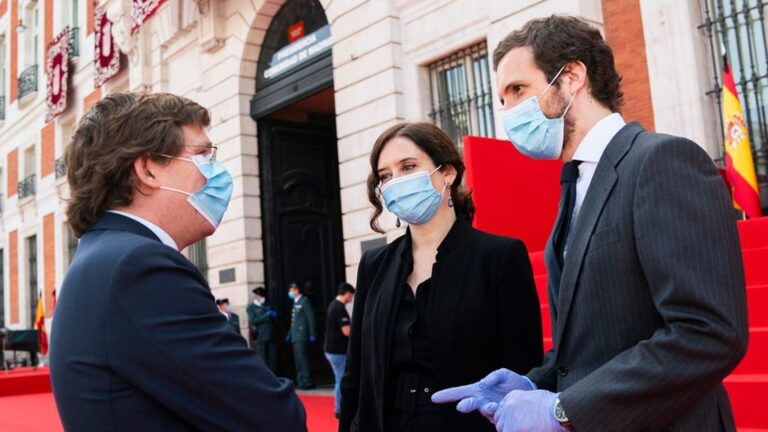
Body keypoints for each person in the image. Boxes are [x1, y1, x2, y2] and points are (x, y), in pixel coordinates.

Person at [432, 15, 748, 432]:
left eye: (518, 89)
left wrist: (566, 411)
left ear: (573, 77)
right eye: (502, 98)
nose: (507, 110)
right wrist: (534, 382)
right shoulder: (574, 183)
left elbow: (708, 333)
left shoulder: (661, 161)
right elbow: (592, 344)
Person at [49, 92, 306, 431]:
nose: (217, 172)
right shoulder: (140, 267)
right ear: (148, 169)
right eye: (203, 155)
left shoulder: (104, 255)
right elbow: (274, 417)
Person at [339, 122, 543, 432]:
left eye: (408, 166)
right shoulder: (374, 265)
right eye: (385, 176)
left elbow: (523, 370)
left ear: (447, 172)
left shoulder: (500, 257)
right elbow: (356, 372)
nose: (396, 181)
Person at [324, 282, 355, 418]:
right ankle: (339, 409)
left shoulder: (333, 305)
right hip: (338, 351)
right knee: (340, 380)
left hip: (332, 350)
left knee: (339, 379)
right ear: (347, 293)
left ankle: (340, 407)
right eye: (351, 295)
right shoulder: (339, 308)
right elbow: (347, 331)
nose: (352, 298)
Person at [287, 282, 316, 390]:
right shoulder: (295, 302)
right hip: (295, 336)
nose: (289, 293)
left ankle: (308, 381)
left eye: (291, 290)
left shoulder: (304, 301)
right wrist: (289, 334)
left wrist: (312, 333)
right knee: (298, 360)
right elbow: (293, 321)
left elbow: (310, 318)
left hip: (302, 335)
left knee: (303, 359)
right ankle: (301, 380)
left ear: (296, 290)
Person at [248, 286, 278, 372]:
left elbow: (275, 319)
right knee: (262, 359)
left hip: (271, 335)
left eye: (262, 297)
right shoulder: (251, 308)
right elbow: (254, 321)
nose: (261, 298)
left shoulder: (267, 304)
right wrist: (266, 316)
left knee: (273, 359)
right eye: (259, 296)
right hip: (261, 335)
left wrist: (274, 315)